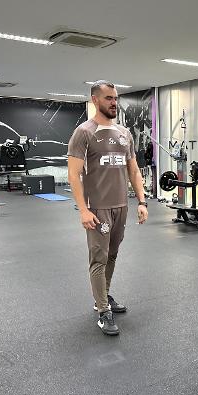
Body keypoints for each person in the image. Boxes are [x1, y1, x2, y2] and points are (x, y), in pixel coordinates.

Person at [67, 80, 148, 336]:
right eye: (108, 98)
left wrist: (142, 201)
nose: (114, 102)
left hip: (121, 205)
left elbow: (133, 169)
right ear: (95, 100)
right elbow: (73, 175)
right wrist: (83, 210)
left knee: (112, 254)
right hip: (98, 208)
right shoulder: (84, 132)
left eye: (115, 98)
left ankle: (102, 297)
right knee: (98, 259)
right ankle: (103, 311)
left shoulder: (125, 133)